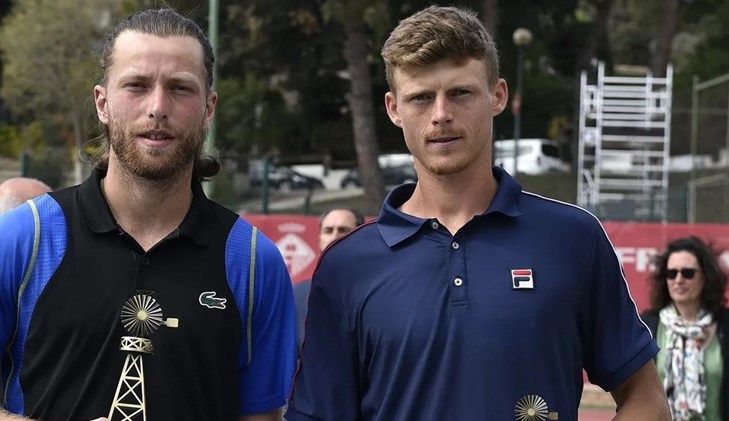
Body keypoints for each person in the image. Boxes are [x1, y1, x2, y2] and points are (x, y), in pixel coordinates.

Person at [286, 6, 670, 420]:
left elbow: (645, 398)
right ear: (394, 109)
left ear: (497, 96)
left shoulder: (573, 237)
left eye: (460, 93)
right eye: (420, 98)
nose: (441, 115)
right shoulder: (347, 266)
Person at [0, 8, 296, 421]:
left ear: (209, 108)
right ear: (102, 103)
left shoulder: (251, 261)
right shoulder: (22, 238)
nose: (158, 107)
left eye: (180, 88)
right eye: (137, 86)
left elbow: (262, 417)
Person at [641, 236, 729, 420]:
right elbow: (636, 394)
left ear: (706, 276)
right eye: (671, 273)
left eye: (688, 273)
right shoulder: (647, 326)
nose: (678, 279)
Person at [292, 208, 365, 351]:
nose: (334, 236)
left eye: (343, 230)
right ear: (319, 240)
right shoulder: (296, 294)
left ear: (361, 237)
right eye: (328, 230)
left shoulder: (377, 292)